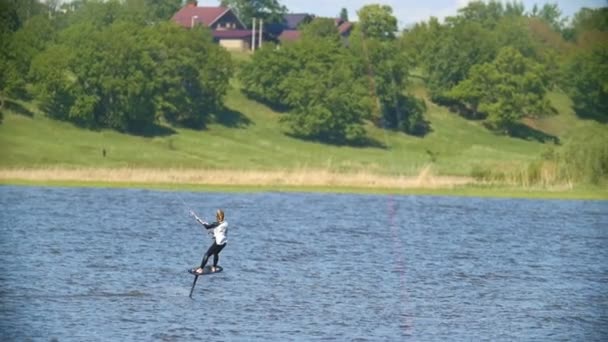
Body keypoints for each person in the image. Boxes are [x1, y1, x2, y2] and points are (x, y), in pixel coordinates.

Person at [191, 209, 228, 274]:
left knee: (207, 254)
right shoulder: (225, 223)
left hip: (218, 242)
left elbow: (206, 227)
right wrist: (214, 233)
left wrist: (197, 219)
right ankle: (214, 267)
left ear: (217, 216)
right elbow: (222, 231)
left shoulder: (216, 223)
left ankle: (201, 269)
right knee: (216, 253)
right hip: (224, 242)